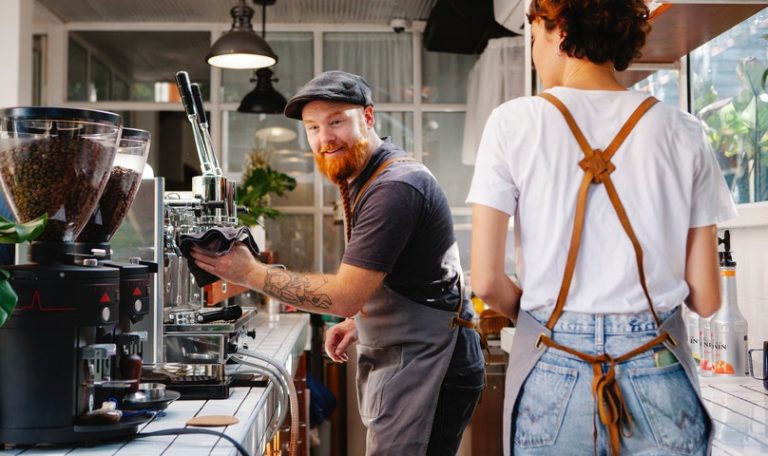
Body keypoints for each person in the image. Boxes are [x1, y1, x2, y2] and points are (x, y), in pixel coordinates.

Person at [467, 1, 737, 455]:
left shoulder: (512, 123)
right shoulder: (684, 130)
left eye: (534, 38)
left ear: (557, 31)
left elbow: (487, 281)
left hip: (553, 367)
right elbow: (707, 299)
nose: (535, 53)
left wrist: (546, 323)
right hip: (659, 360)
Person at [191, 70, 484, 456]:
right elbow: (407, 279)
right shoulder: (366, 175)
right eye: (312, 127)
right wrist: (360, 322)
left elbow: (346, 295)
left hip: (430, 364)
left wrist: (249, 272)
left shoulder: (394, 186)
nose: (324, 139)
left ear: (368, 117)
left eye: (336, 122)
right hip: (413, 356)